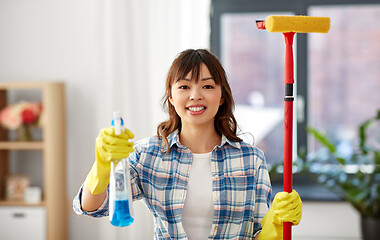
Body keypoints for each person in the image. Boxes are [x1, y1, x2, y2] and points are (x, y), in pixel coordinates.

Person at [73, 49, 302, 239]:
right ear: (171, 96)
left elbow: (259, 234)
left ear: (222, 96)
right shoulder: (148, 155)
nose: (195, 95)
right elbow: (94, 207)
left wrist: (276, 226)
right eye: (184, 87)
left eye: (208, 86)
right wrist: (102, 166)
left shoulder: (251, 159)